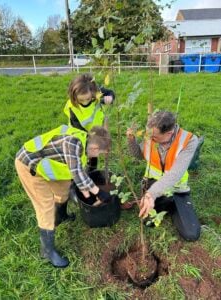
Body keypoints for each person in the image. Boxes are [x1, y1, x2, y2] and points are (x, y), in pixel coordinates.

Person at [15, 125, 111, 268]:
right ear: (95, 148)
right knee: (45, 207)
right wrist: (99, 193)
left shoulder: (85, 142)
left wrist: (90, 194)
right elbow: (78, 175)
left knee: (63, 189)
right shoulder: (72, 144)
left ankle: (61, 216)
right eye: (99, 153)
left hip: (48, 163)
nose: (97, 157)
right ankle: (47, 252)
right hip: (29, 166)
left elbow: (79, 172)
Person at [127, 111, 201, 241]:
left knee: (191, 234)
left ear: (169, 133)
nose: (150, 138)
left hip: (177, 189)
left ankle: (172, 203)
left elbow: (175, 173)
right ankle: (165, 203)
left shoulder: (189, 141)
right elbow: (138, 155)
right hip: (153, 183)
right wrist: (131, 140)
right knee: (149, 222)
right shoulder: (150, 134)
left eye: (154, 137)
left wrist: (151, 194)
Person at [64, 73, 115, 172]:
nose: (85, 102)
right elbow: (78, 128)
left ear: (93, 91)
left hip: (95, 132)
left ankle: (92, 171)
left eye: (88, 99)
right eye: (80, 100)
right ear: (73, 96)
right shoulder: (72, 107)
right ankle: (79, 174)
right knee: (80, 158)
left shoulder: (98, 94)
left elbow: (110, 93)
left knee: (93, 158)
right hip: (77, 135)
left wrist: (110, 97)